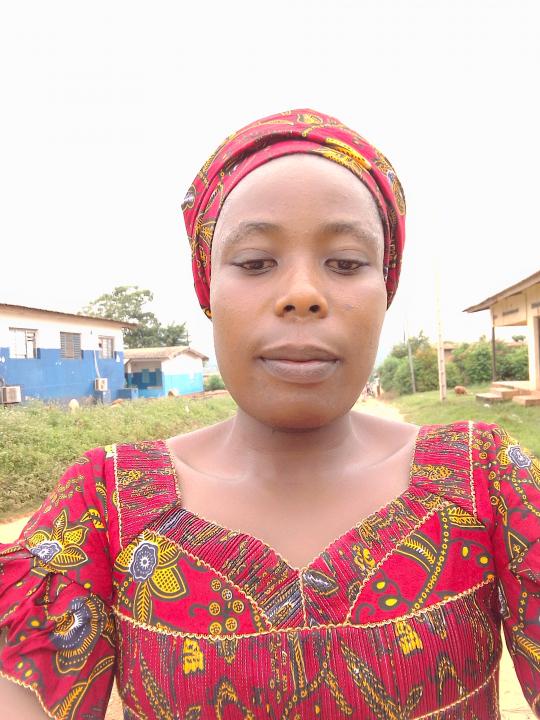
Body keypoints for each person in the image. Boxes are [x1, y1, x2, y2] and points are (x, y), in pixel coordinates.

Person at [1, 109, 538, 719]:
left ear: (386, 289)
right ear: (208, 288)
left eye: (346, 262)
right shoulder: (105, 504)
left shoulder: (485, 480)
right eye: (256, 262)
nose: (302, 294)